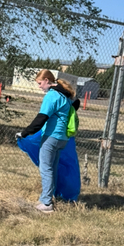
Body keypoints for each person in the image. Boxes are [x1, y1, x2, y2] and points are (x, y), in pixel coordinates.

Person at [16, 69, 79, 213]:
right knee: (53, 167)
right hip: (62, 138)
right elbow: (76, 104)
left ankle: (46, 203)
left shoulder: (52, 96)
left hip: (51, 137)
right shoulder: (65, 95)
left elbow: (41, 118)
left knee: (46, 169)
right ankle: (52, 197)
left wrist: (24, 133)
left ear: (47, 80)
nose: (39, 86)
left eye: (40, 83)